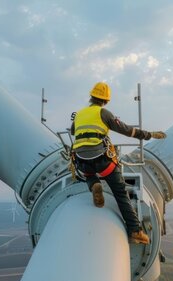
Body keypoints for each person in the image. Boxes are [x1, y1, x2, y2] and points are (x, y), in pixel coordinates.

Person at [71, 82, 166, 245]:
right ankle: (135, 231)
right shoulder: (104, 113)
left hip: (81, 160)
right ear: (105, 101)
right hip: (102, 160)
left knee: (88, 172)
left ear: (91, 97)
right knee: (120, 192)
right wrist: (149, 135)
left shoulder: (79, 114)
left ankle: (94, 184)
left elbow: (73, 131)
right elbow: (127, 130)